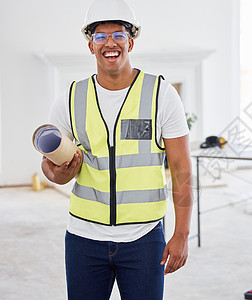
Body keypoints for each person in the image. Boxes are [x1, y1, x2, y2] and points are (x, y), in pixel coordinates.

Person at [41, 0, 193, 299]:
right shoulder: (70, 99)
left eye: (118, 35)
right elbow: (48, 166)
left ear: (131, 42)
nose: (110, 43)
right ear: (91, 46)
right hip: (84, 238)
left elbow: (181, 169)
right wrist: (58, 174)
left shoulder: (161, 95)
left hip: (144, 239)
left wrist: (182, 234)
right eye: (100, 36)